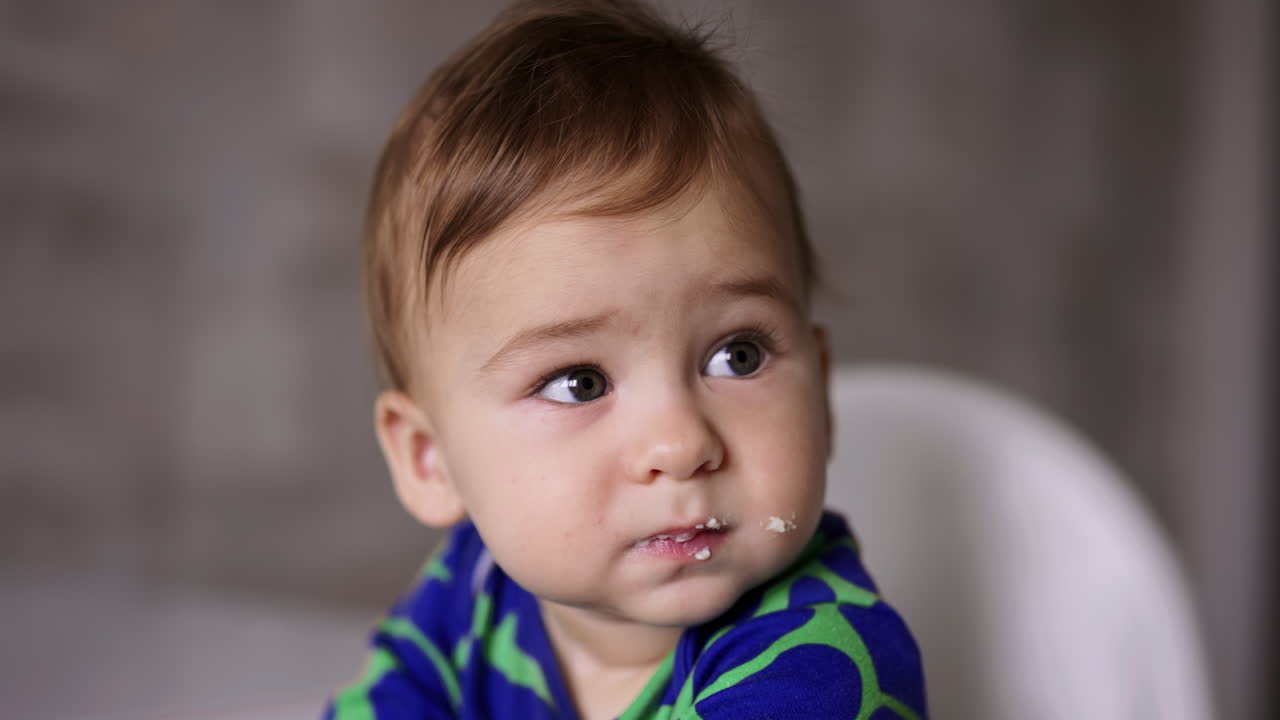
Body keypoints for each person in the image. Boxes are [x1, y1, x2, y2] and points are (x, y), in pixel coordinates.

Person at [325, 1, 927, 717]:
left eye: (738, 355)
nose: (680, 444)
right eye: (579, 382)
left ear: (821, 391)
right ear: (433, 459)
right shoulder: (474, 586)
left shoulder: (819, 667)